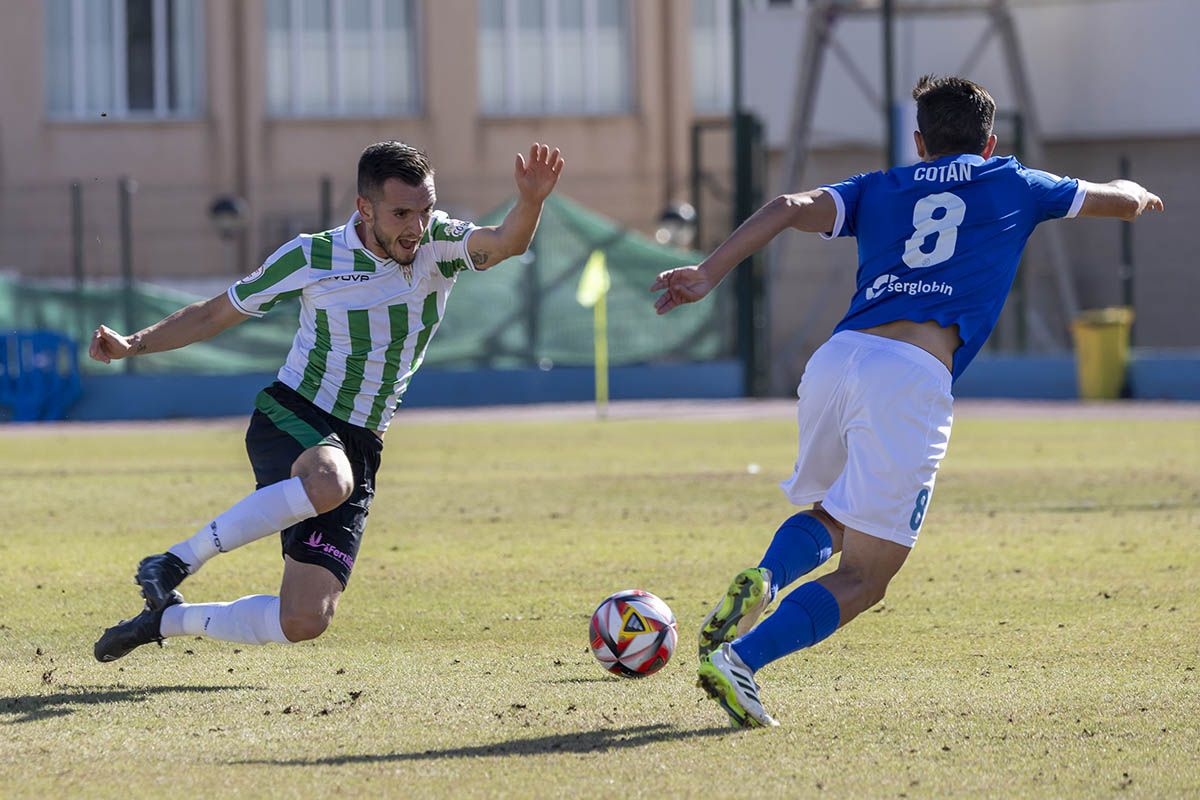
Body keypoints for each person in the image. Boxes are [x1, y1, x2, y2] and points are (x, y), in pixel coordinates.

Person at [651, 75, 1163, 728]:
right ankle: (741, 660)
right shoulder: (1013, 181)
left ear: (919, 142)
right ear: (990, 142)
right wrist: (1138, 194)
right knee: (868, 577)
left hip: (836, 360)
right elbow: (1115, 201)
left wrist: (708, 272)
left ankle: (767, 579)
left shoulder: (880, 186)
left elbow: (784, 204)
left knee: (834, 514)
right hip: (911, 375)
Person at [92, 141, 565, 661]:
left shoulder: (439, 245)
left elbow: (505, 242)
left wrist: (532, 201)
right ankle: (175, 561)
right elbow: (214, 314)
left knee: (304, 618)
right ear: (365, 208)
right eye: (402, 213)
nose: (417, 225)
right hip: (294, 411)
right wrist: (134, 344)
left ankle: (166, 620)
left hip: (362, 440)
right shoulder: (311, 255)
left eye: (425, 210)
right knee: (328, 481)